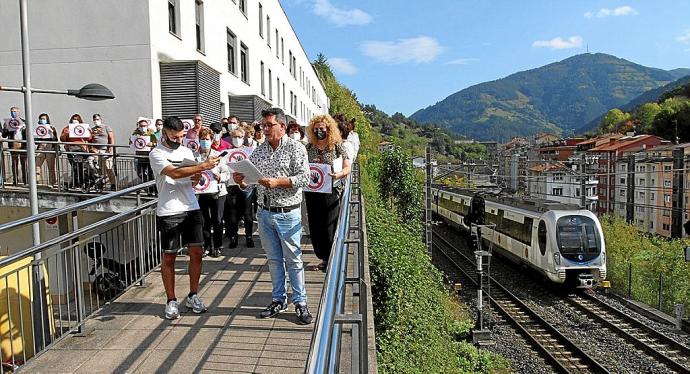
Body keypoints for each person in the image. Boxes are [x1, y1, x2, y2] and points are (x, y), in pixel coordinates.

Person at [233, 107, 312, 324]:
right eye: (263, 126)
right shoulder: (258, 151)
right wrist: (241, 181)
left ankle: (301, 302)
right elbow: (250, 182)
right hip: (264, 213)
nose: (265, 130)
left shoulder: (296, 148)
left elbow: (305, 178)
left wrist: (278, 182)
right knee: (274, 260)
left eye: (269, 125)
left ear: (282, 126)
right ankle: (279, 299)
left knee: (294, 260)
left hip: (288, 213)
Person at [149, 116, 220, 320]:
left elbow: (192, 179)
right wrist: (202, 167)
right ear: (165, 134)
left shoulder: (186, 151)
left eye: (181, 136)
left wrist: (197, 176)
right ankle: (171, 300)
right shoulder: (156, 153)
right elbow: (173, 173)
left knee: (197, 252)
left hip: (191, 206)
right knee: (169, 256)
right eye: (174, 137)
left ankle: (193, 295)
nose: (178, 140)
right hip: (169, 210)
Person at [304, 115, 352, 270]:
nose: (319, 131)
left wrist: (340, 174)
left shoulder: (337, 145)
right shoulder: (309, 147)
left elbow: (347, 166)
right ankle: (323, 257)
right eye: (316, 129)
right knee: (315, 225)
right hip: (312, 191)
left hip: (330, 190)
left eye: (322, 128)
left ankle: (332, 256)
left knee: (329, 225)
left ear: (329, 129)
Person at [196, 127, 230, 257]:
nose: (205, 142)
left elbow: (227, 173)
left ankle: (217, 245)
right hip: (201, 192)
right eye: (202, 139)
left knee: (217, 220)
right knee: (204, 221)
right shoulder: (195, 156)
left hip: (218, 192)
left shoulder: (218, 155)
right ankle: (206, 245)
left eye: (207, 139)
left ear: (211, 140)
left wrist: (220, 177)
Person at [224, 125, 255, 249]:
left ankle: (249, 237)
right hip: (232, 185)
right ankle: (233, 237)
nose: (238, 139)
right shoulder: (226, 152)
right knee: (232, 214)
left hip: (247, 185)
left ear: (244, 138)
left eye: (240, 137)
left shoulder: (250, 151)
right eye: (235, 137)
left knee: (248, 214)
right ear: (231, 138)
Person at [60, 114, 92, 189]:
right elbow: (62, 139)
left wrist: (88, 131)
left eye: (76, 119)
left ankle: (82, 182)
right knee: (75, 166)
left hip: (81, 149)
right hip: (71, 149)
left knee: (81, 166)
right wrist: (66, 133)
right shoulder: (67, 128)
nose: (74, 121)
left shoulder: (82, 127)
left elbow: (89, 138)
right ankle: (76, 182)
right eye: (73, 119)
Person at [90, 114, 117, 190]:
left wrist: (110, 148)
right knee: (98, 168)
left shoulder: (106, 127)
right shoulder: (92, 129)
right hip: (96, 151)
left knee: (108, 167)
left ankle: (113, 185)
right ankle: (100, 184)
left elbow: (111, 137)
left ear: (100, 119)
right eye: (95, 119)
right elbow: (90, 140)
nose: (96, 121)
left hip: (105, 150)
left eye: (97, 119)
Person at [2, 106, 27, 185]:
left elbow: (28, 134)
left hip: (22, 144)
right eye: (12, 111)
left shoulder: (24, 122)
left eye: (15, 111)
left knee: (24, 163)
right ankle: (15, 181)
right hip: (13, 144)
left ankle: (25, 181)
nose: (14, 113)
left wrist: (24, 128)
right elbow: (4, 135)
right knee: (14, 163)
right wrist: (6, 128)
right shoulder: (8, 122)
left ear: (19, 112)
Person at [130, 119, 157, 191]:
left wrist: (152, 144)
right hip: (139, 156)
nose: (143, 127)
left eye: (144, 126)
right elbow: (131, 142)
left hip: (148, 156)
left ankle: (152, 190)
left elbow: (156, 143)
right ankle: (146, 188)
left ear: (147, 126)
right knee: (140, 173)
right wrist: (131, 142)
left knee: (150, 174)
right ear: (139, 126)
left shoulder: (151, 133)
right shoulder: (136, 133)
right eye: (141, 126)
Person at [34, 113, 58, 187]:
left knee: (50, 166)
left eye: (44, 119)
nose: (42, 120)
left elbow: (56, 139)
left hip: (49, 146)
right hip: (41, 147)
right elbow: (35, 140)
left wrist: (52, 132)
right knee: (37, 165)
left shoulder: (52, 128)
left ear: (47, 120)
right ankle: (36, 182)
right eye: (41, 119)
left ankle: (52, 183)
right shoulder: (38, 128)